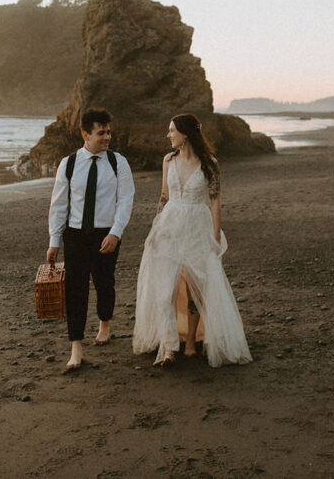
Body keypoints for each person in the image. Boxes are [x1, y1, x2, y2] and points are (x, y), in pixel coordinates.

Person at [132, 113, 252, 367]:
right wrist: (154, 228)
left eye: (172, 131)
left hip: (198, 227)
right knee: (165, 289)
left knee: (196, 288)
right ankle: (168, 346)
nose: (168, 135)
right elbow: (164, 196)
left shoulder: (209, 163)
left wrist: (215, 236)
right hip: (170, 226)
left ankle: (189, 344)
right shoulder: (168, 160)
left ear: (185, 134)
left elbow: (215, 200)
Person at [47, 108, 135, 372]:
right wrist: (54, 241)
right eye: (101, 133)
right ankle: (76, 347)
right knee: (75, 290)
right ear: (85, 134)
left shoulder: (118, 163)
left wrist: (115, 233)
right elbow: (59, 203)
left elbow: (125, 200)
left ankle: (105, 323)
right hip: (75, 235)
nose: (107, 137)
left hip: (106, 233)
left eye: (109, 132)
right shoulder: (69, 163)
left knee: (105, 282)